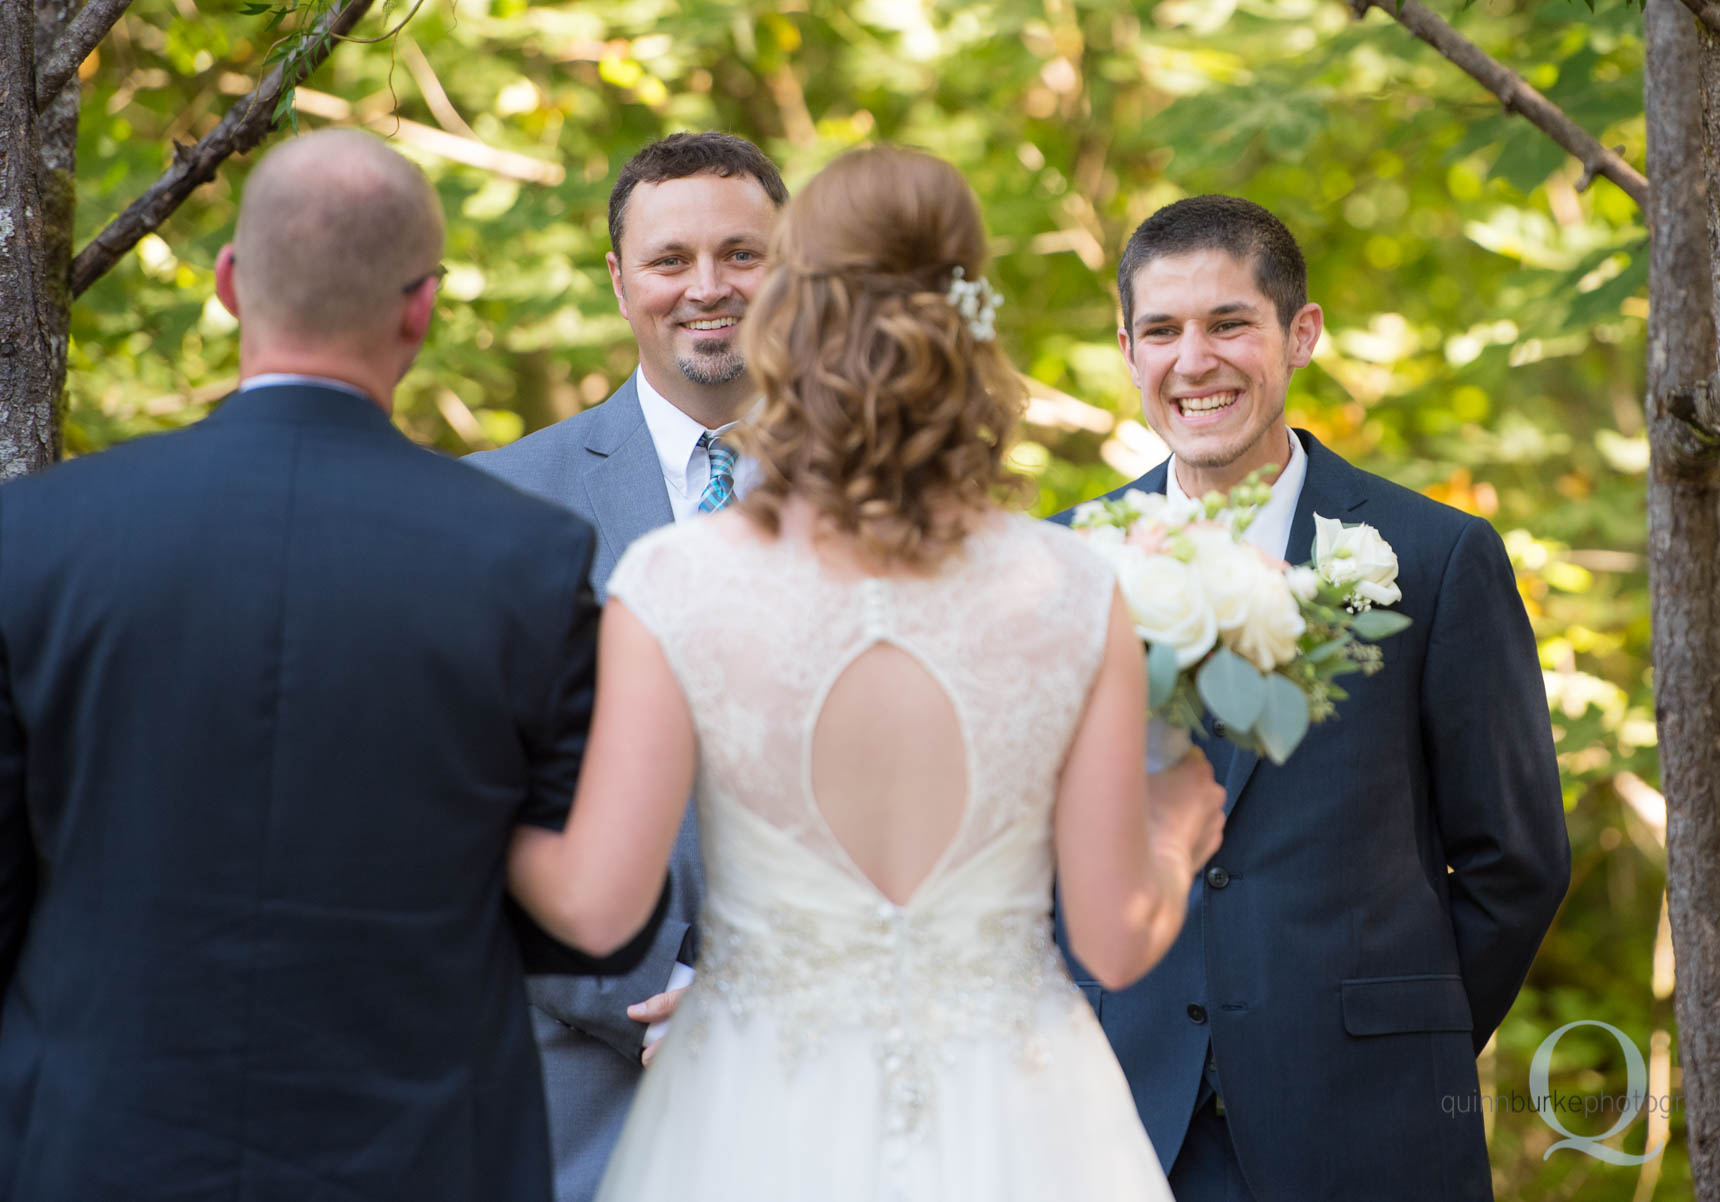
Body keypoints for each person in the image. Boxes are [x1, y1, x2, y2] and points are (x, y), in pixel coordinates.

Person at [504, 145, 1227, 1201]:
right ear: (966, 318)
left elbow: (599, 903)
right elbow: (1117, 942)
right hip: (1022, 1127)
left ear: (787, 314)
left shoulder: (681, 579)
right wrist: (1175, 832)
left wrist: (473, 813)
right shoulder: (1073, 582)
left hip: (750, 1118)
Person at [0, 129, 618, 1202]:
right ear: (421, 306)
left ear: (231, 283)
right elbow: (587, 916)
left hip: (103, 1140)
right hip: (422, 1147)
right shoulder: (528, 557)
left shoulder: (39, 535)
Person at [1054, 195, 1570, 1201]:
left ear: (1301, 334)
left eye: (1228, 323)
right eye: (1161, 330)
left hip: (1370, 1125)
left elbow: (1516, 861)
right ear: (1127, 349)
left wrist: (1397, 1039)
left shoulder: (1433, 558)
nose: (1193, 360)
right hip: (1112, 1119)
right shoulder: (1058, 559)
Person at [465, 130, 786, 1202]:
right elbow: (467, 798)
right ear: (619, 279)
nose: (708, 288)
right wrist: (669, 996)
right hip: (582, 1103)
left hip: (840, 1094)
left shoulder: (894, 508)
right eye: (669, 259)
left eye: (743, 254)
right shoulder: (497, 507)